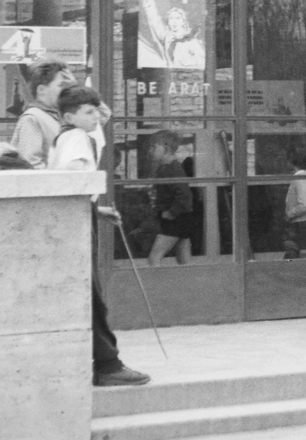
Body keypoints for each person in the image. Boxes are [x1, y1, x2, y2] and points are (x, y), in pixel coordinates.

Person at [48, 85, 151, 387]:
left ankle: (102, 362)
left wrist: (97, 210)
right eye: (88, 112)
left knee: (88, 296)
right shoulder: (78, 138)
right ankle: (108, 364)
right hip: (76, 221)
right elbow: (74, 180)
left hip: (79, 216)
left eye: (96, 110)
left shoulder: (68, 135)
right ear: (69, 116)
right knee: (92, 298)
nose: (97, 116)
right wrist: (89, 209)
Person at [148, 132, 198, 266]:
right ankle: (190, 284)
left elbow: (184, 195)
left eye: (154, 147)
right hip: (181, 218)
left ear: (166, 149)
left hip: (175, 219)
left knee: (154, 257)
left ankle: (155, 285)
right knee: (184, 260)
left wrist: (171, 212)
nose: (150, 151)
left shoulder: (172, 169)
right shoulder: (165, 168)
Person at [11, 59, 73, 168]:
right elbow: (30, 165)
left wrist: (76, 89)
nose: (67, 90)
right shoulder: (32, 118)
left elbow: (101, 116)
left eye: (69, 86)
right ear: (41, 90)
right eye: (62, 85)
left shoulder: (63, 116)